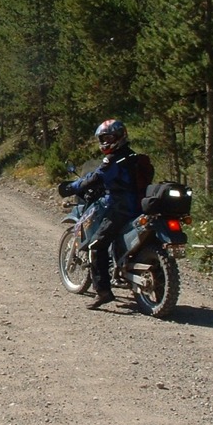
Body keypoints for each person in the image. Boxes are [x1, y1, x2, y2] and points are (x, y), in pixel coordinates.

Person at [68, 119, 151, 309]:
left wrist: (70, 187)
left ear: (120, 137)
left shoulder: (114, 159)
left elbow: (94, 177)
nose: (105, 141)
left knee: (97, 245)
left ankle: (103, 291)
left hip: (120, 207)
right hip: (138, 206)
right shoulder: (133, 157)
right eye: (103, 138)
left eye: (109, 137)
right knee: (114, 238)